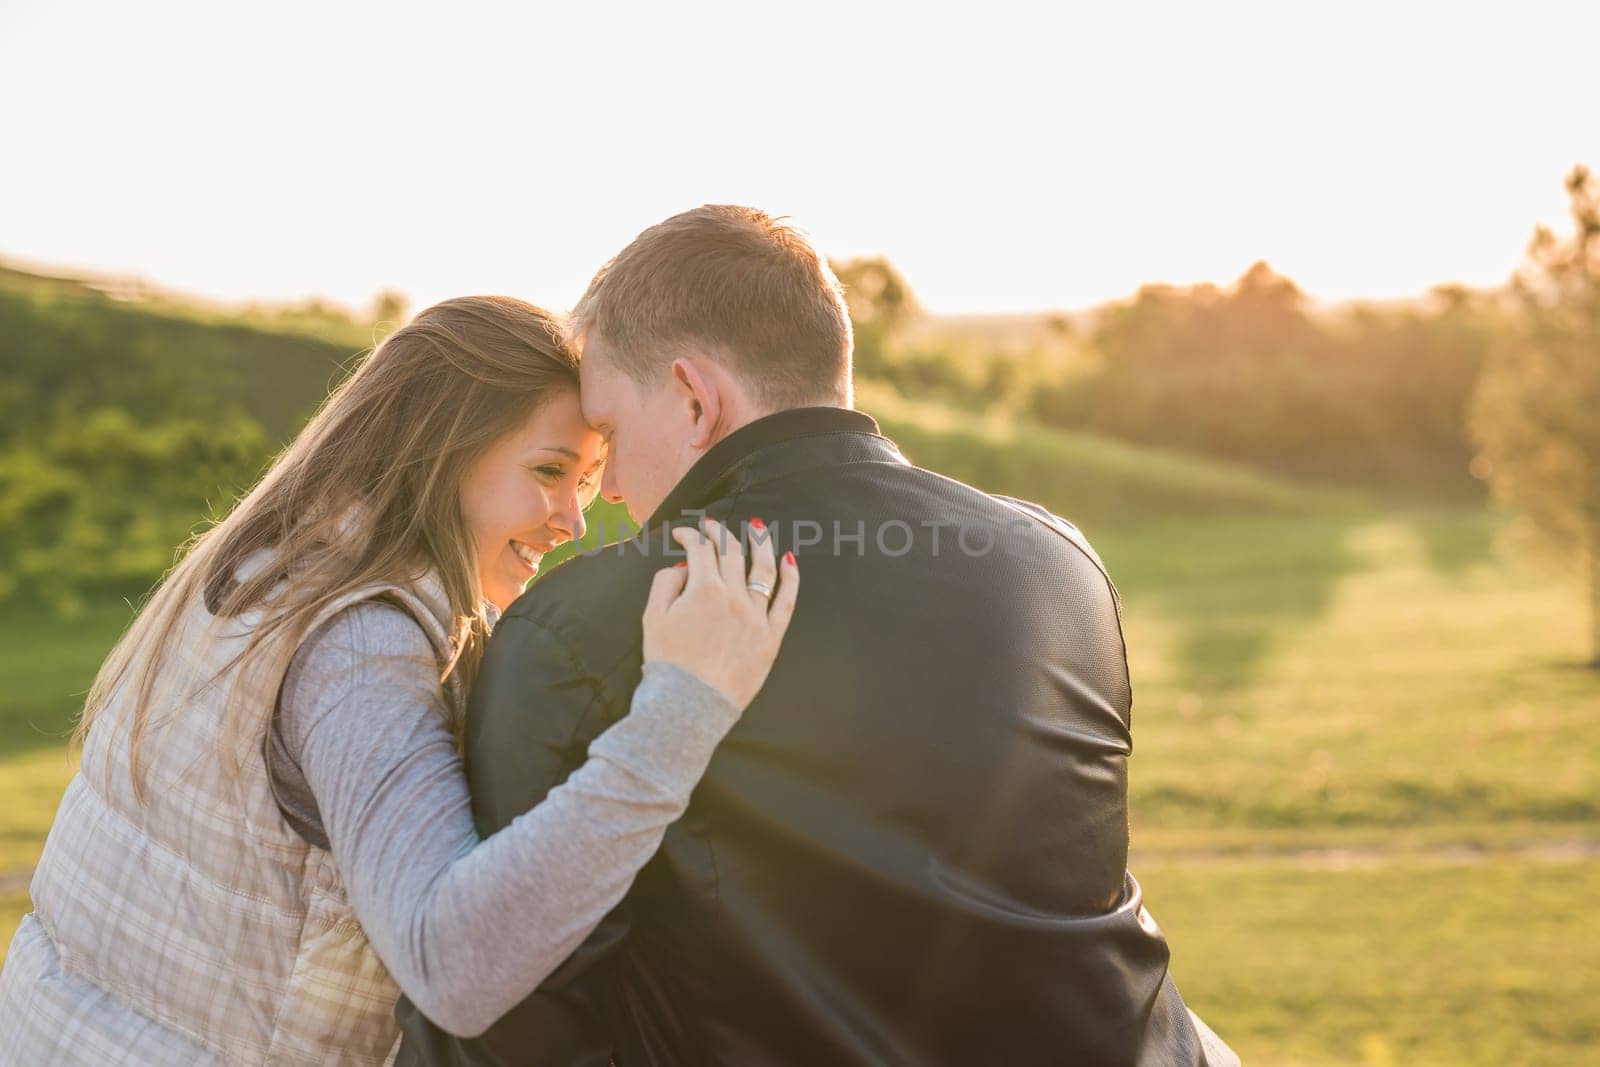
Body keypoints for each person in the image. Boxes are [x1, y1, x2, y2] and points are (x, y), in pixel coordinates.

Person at [397, 209, 1237, 1065]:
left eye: (608, 434)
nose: (604, 486)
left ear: (694, 397)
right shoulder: (1061, 564)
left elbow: (507, 1028)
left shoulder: (580, 629)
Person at [0, 296, 798, 1065]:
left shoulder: (277, 572)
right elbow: (452, 960)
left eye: (584, 482)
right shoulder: (359, 645)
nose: (573, 520)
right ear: (439, 451)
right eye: (550, 470)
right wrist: (687, 703)